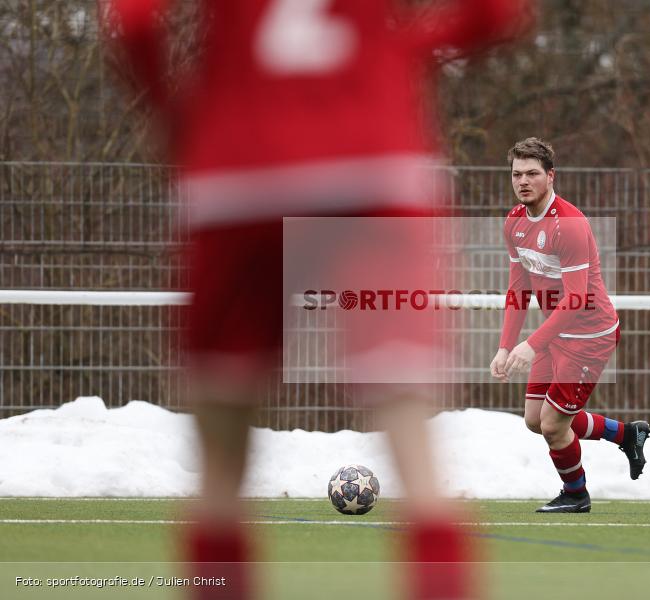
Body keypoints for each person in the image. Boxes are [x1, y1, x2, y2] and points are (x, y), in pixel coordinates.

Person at [104, 1, 532, 598]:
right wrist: (400, 53)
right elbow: (495, 13)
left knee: (222, 467)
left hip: (239, 172)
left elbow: (133, 19)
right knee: (411, 438)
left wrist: (177, 118)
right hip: (373, 169)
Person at [490, 137, 650, 513]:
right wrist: (504, 345)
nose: (523, 181)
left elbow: (577, 300)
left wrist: (531, 344)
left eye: (532, 173)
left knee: (552, 425)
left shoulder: (570, 225)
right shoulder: (514, 222)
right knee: (535, 420)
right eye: (516, 174)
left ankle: (576, 495)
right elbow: (518, 289)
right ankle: (627, 434)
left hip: (589, 336)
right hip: (554, 335)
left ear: (551, 176)